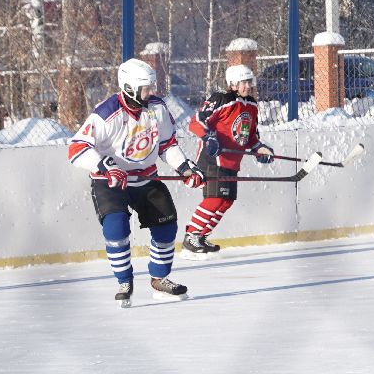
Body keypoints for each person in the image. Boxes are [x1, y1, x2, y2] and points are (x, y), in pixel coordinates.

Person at [67, 58, 204, 306]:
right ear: (128, 87)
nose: (150, 92)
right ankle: (124, 280)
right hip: (111, 181)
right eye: (145, 88)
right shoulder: (106, 113)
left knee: (167, 227)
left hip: (145, 177)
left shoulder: (157, 108)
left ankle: (160, 279)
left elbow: (166, 145)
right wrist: (105, 165)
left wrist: (185, 167)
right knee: (116, 227)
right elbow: (77, 148)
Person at [183, 63, 274, 256]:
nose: (248, 86)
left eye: (250, 81)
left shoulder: (252, 105)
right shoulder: (222, 99)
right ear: (233, 84)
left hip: (233, 161)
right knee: (215, 198)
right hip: (213, 158)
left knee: (226, 201)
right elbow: (196, 121)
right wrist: (208, 138)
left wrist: (260, 149)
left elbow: (250, 136)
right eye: (243, 82)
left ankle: (201, 236)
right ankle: (191, 236)